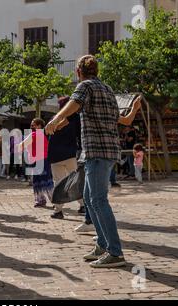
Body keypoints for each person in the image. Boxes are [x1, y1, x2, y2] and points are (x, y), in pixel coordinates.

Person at [46, 55, 142, 268]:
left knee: (98, 200)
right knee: (89, 199)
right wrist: (134, 109)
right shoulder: (107, 90)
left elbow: (73, 104)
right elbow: (124, 120)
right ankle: (101, 244)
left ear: (78, 71)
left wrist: (54, 120)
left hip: (96, 151)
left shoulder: (86, 86)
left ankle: (115, 252)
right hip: (107, 151)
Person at [48, 96, 85, 219]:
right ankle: (83, 206)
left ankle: (58, 211)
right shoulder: (75, 119)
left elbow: (48, 134)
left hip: (55, 156)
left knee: (58, 182)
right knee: (76, 181)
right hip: (70, 154)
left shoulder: (53, 119)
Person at [20, 118, 54, 208]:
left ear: (39, 126)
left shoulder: (34, 134)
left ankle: (45, 200)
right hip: (43, 160)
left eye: (33, 125)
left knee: (40, 180)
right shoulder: (45, 134)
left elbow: (22, 144)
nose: (31, 126)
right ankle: (51, 200)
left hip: (39, 160)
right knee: (45, 179)